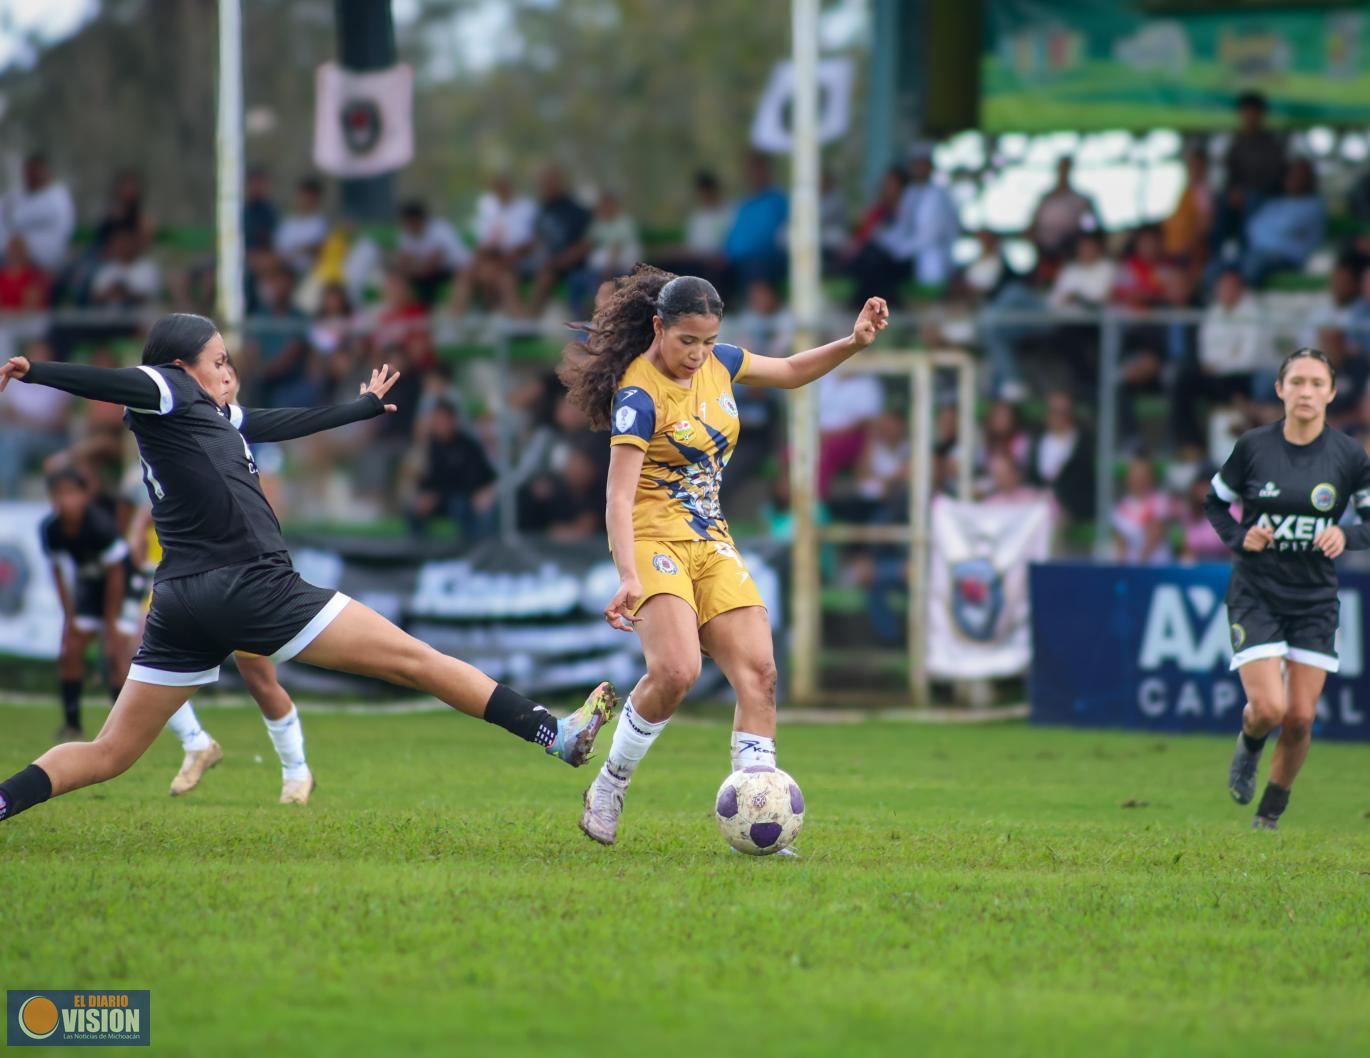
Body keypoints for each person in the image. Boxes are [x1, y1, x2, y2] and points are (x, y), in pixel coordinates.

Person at [0, 313, 617, 827]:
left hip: (183, 601)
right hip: (251, 584)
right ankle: (553, 735)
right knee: (417, 660)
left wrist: (363, 407)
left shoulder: (212, 417)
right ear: (181, 367)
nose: (229, 370)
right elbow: (114, 383)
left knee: (109, 752)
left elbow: (279, 423)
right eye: (218, 359)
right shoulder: (171, 389)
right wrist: (37, 372)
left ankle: (5, 799)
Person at [557, 265, 888, 846]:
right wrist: (629, 575)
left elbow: (786, 371)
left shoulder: (720, 362)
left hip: (711, 540)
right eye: (687, 341)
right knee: (677, 671)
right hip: (653, 539)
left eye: (708, 341)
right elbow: (616, 494)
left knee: (759, 674)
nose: (698, 354)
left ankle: (761, 819)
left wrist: (852, 342)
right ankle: (610, 782)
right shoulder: (638, 396)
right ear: (658, 327)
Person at [1207, 347, 1370, 829]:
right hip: (1256, 591)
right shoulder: (1254, 447)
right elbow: (1215, 505)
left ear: (1331, 393)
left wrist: (1347, 534)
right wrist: (1242, 537)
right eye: (1296, 381)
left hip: (1315, 600)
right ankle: (1249, 744)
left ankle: (1269, 814)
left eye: (1316, 383)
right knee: (1270, 708)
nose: (1306, 391)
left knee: (1299, 718)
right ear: (1279, 390)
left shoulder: (1348, 455)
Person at [39, 465, 142, 742]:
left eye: (71, 493)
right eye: (58, 494)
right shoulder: (51, 530)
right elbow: (58, 572)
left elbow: (117, 573)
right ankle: (72, 724)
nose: (65, 500)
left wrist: (109, 625)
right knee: (70, 649)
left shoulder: (99, 525)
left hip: (123, 586)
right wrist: (68, 616)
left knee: (116, 654)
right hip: (91, 586)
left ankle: (123, 732)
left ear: (85, 495)